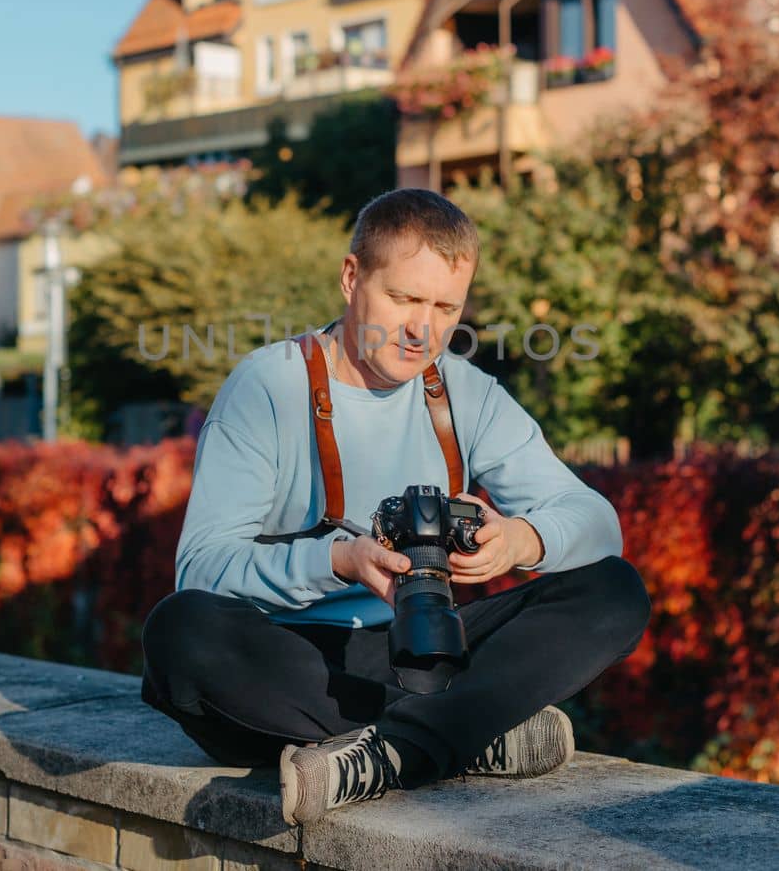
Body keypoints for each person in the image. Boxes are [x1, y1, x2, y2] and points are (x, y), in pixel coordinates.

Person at [139, 188, 651, 825]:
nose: (422, 330)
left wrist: (518, 542)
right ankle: (464, 734)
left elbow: (597, 521)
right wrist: (341, 560)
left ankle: (387, 752)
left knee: (614, 589)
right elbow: (204, 570)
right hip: (292, 659)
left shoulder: (465, 392)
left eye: (445, 307)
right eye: (405, 299)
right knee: (180, 631)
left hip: (425, 649)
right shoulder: (267, 385)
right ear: (352, 278)